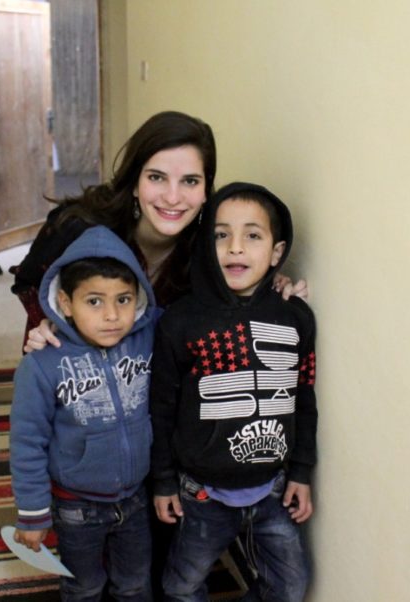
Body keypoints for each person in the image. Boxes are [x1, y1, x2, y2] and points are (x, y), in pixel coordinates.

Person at [10, 110, 306, 355]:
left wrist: (273, 282)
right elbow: (29, 282)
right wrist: (50, 323)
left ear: (206, 190)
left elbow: (237, 280)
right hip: (70, 374)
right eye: (157, 178)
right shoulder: (77, 227)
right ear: (135, 182)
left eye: (190, 181)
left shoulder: (211, 245)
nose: (173, 197)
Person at [150, 182, 318, 602]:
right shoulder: (181, 321)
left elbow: (305, 398)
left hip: (273, 490)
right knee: (183, 585)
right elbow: (162, 407)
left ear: (277, 253)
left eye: (253, 236)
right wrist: (164, 480)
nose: (236, 248)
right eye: (221, 235)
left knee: (291, 585)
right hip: (201, 493)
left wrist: (300, 471)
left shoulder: (295, 318)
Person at [10, 225, 161, 601]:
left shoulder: (148, 335)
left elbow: (201, 316)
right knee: (84, 586)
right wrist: (32, 513)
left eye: (124, 299)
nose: (112, 315)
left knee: (136, 584)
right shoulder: (41, 365)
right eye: (94, 301)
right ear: (65, 303)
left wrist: (268, 289)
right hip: (76, 506)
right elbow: (27, 441)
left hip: (136, 497)